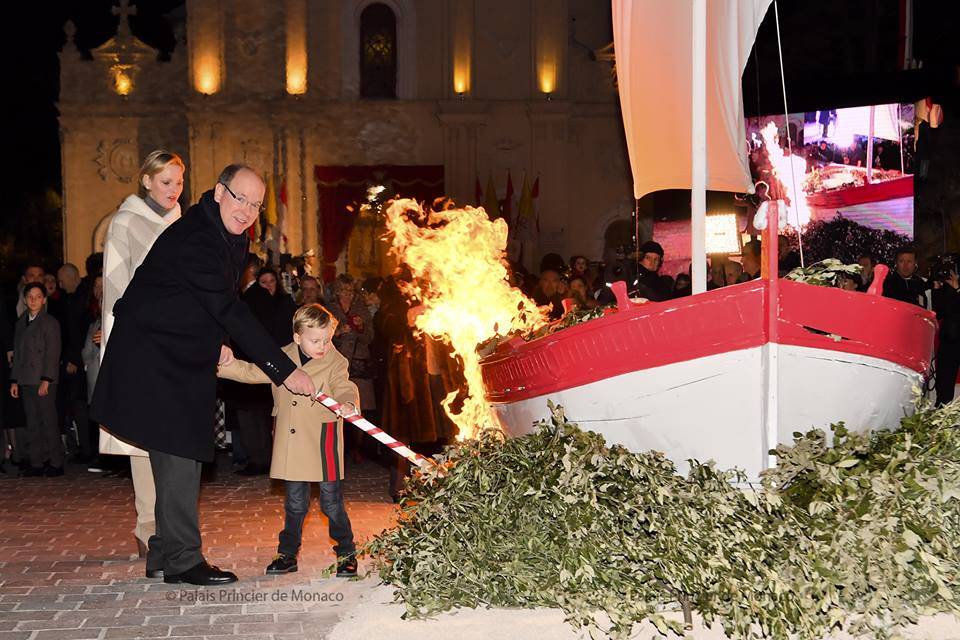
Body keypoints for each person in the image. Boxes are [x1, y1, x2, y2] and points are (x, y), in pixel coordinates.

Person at [90, 164, 316, 586]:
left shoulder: (227, 232)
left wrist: (217, 340)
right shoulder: (197, 237)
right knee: (181, 452)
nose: (246, 210)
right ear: (219, 192)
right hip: (153, 356)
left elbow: (206, 299)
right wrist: (284, 371)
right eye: (240, 198)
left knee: (175, 451)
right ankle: (183, 561)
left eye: (255, 204)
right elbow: (230, 308)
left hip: (175, 349)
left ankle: (163, 552)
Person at [217, 304, 360, 577]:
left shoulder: (336, 361)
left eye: (327, 340)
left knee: (331, 503)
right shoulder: (281, 357)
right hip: (292, 443)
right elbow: (251, 372)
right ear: (297, 337)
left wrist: (348, 403)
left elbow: (344, 385)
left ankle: (346, 552)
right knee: (294, 503)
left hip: (322, 442)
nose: (323, 346)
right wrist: (223, 364)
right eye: (315, 341)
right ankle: (287, 554)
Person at [98, 150, 186, 563]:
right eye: (166, 182)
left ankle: (173, 526)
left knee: (173, 436)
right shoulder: (125, 222)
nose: (174, 190)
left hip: (177, 344)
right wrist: (119, 346)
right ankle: (148, 527)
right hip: (140, 342)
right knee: (143, 439)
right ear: (146, 181)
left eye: (179, 182)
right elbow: (115, 287)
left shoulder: (183, 223)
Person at [10, 283, 62, 476]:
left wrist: (46, 379)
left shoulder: (50, 322)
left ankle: (56, 462)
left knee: (48, 421)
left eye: (38, 296)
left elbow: (53, 353)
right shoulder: (20, 322)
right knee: (32, 423)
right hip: (26, 379)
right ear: (24, 299)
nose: (33, 300)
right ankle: (36, 462)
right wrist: (14, 380)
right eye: (30, 297)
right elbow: (18, 354)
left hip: (43, 379)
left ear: (44, 299)